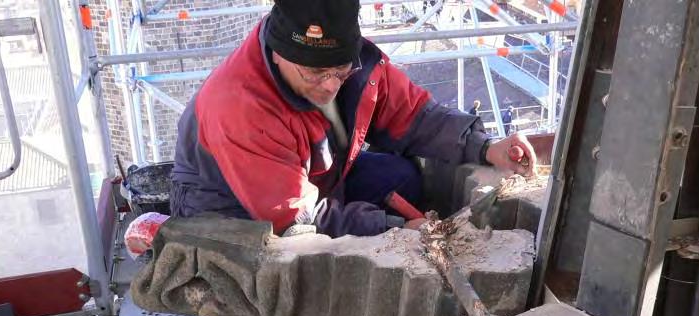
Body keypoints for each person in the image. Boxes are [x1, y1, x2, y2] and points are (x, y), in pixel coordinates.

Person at [171, 0, 536, 238]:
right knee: (295, 261)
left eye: (340, 70)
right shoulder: (240, 107)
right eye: (315, 74)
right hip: (231, 206)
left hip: (315, 177)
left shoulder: (356, 65)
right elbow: (294, 216)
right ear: (279, 55)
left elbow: (415, 116)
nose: (330, 85)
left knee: (401, 178)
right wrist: (393, 230)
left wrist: (486, 147)